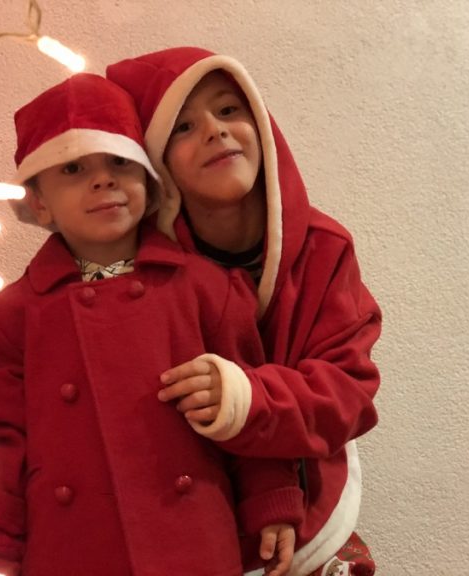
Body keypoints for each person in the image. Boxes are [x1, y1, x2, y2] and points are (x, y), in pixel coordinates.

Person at [0, 72, 303, 576]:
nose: (103, 180)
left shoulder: (206, 289)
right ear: (39, 202)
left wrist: (273, 501)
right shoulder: (12, 317)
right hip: (70, 552)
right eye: (73, 168)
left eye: (119, 162)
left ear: (149, 182)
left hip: (192, 546)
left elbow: (250, 411)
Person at [104, 47, 382, 576]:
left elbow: (347, 391)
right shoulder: (137, 268)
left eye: (229, 109)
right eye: (184, 126)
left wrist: (248, 398)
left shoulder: (325, 250)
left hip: (308, 519)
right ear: (156, 161)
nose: (215, 130)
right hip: (180, 521)